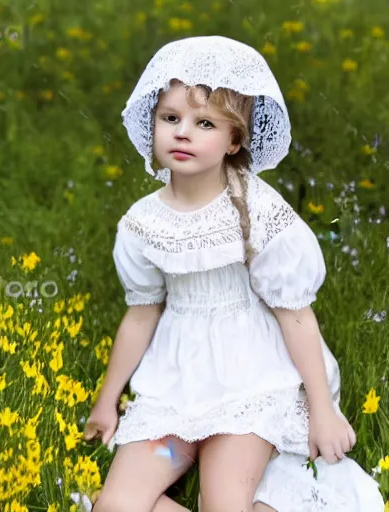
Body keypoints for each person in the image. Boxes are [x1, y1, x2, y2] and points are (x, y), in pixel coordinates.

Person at [84, 36, 385, 512]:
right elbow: (141, 315)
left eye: (204, 123)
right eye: (170, 118)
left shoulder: (257, 208)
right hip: (175, 386)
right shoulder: (143, 222)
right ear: (153, 123)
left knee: (222, 503)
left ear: (234, 140)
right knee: (114, 506)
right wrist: (107, 400)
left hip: (250, 381)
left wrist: (322, 411)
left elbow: (295, 315)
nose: (183, 132)